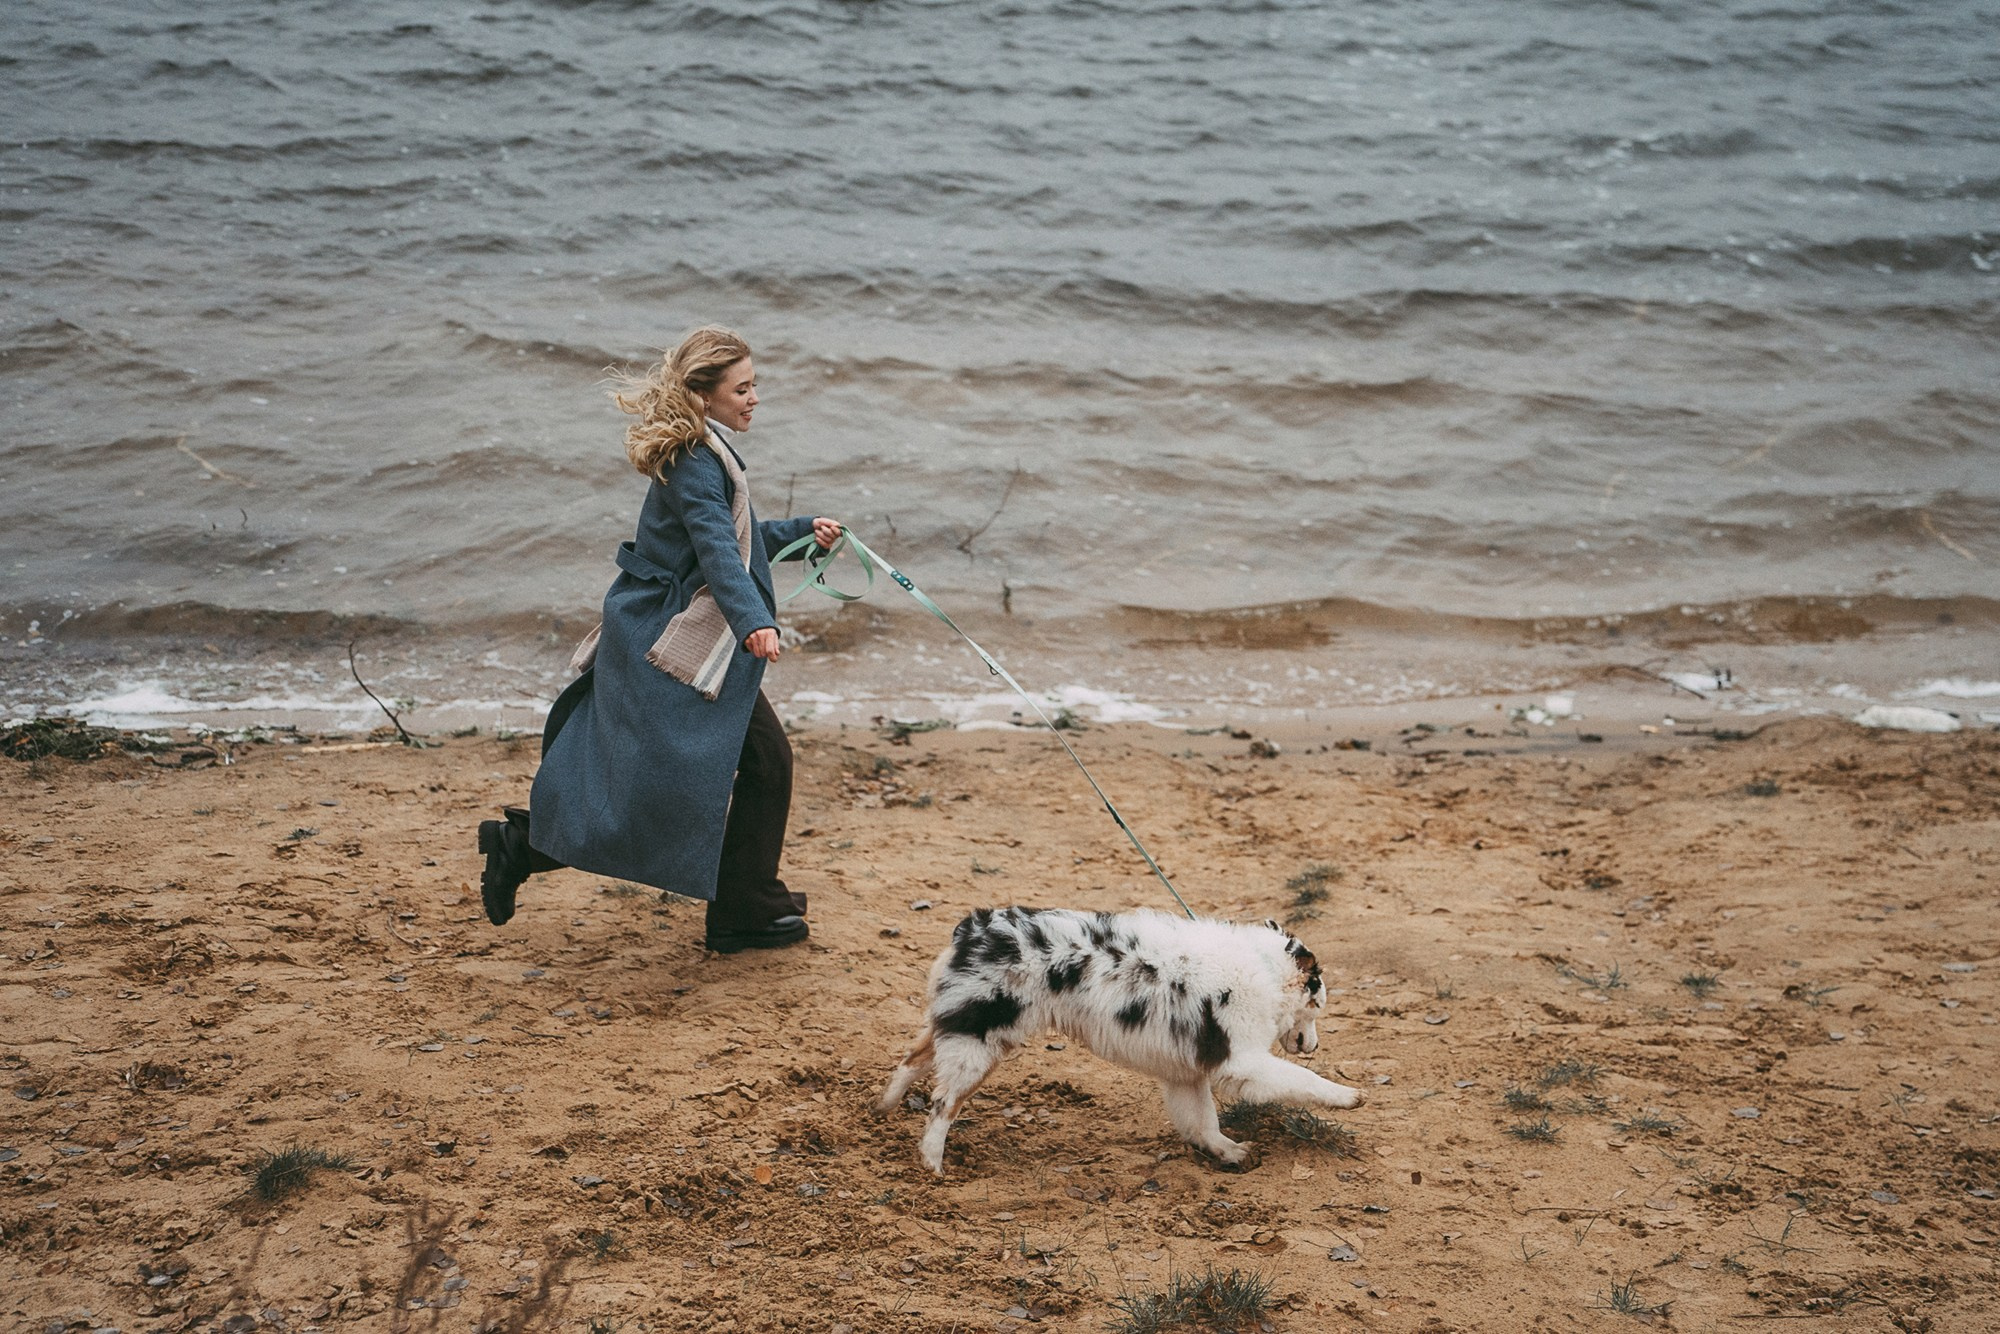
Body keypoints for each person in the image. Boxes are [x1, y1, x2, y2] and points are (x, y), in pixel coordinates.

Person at [476, 326, 842, 953]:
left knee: (754, 764)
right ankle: (525, 848)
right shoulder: (695, 460)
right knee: (667, 792)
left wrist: (805, 531)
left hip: (677, 634)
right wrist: (755, 621)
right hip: (670, 646)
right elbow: (717, 554)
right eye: (742, 389)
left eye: (755, 386)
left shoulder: (706, 451)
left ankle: (744, 904)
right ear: (703, 396)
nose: (754, 399)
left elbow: (738, 539)